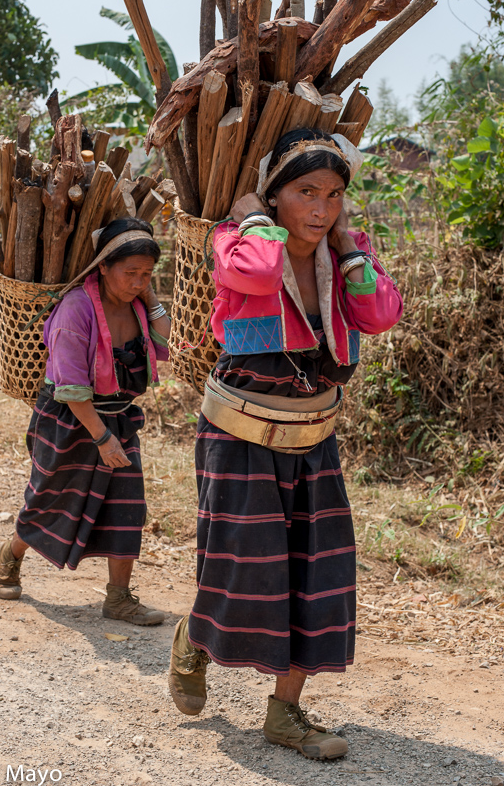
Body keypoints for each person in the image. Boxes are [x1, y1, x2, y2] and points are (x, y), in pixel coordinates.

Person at [168, 129, 403, 757]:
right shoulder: (235, 240)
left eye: (332, 195)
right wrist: (257, 224)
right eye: (305, 193)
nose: (321, 209)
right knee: (242, 565)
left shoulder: (348, 255)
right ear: (275, 197)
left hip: (314, 438)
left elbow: (380, 315)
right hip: (240, 435)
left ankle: (285, 713)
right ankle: (196, 635)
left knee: (315, 575)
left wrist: (350, 250)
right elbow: (260, 272)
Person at [0, 218, 171, 625]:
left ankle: (119, 598)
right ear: (103, 267)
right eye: (130, 272)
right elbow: (71, 389)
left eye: (147, 274)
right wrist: (103, 438)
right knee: (51, 502)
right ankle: (11, 554)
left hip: (118, 418)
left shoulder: (140, 306)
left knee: (127, 505)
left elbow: (167, 344)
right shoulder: (76, 310)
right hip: (68, 421)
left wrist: (150, 294)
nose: (138, 282)